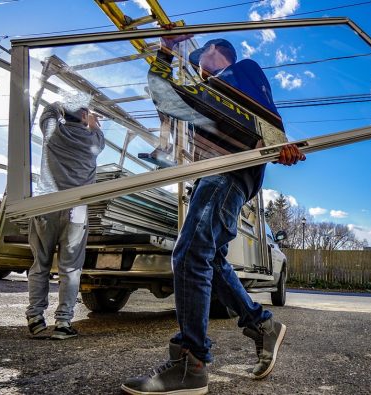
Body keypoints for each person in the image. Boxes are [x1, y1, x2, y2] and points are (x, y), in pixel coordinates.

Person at [122, 31, 305, 395]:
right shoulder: (202, 98)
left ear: (216, 51)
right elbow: (162, 93)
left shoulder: (240, 73)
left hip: (231, 171)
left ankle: (192, 362)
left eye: (200, 56)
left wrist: (277, 142)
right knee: (210, 259)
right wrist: (165, 49)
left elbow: (266, 108)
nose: (197, 67)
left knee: (190, 253)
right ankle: (261, 324)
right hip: (210, 176)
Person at [26, 96, 105, 340]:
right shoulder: (94, 140)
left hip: (46, 205)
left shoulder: (52, 132)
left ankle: (35, 319)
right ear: (83, 117)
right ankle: (63, 323)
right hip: (76, 211)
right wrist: (91, 119)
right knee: (70, 269)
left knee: (40, 264)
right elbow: (98, 132)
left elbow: (48, 111)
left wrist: (67, 104)